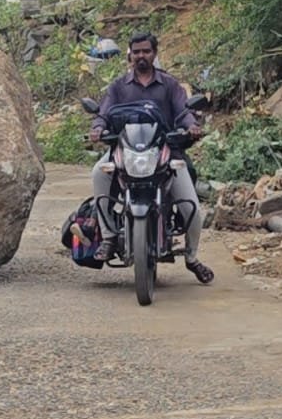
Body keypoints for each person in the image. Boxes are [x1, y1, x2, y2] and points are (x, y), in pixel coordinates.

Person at [87, 32, 212, 284]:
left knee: (192, 208)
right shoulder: (118, 86)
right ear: (129, 55)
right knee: (97, 174)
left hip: (165, 150)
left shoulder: (170, 85)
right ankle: (110, 236)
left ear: (154, 53)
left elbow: (184, 111)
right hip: (125, 151)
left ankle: (191, 257)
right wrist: (97, 128)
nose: (141, 56)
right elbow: (103, 113)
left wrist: (192, 126)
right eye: (136, 52)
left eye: (146, 51)